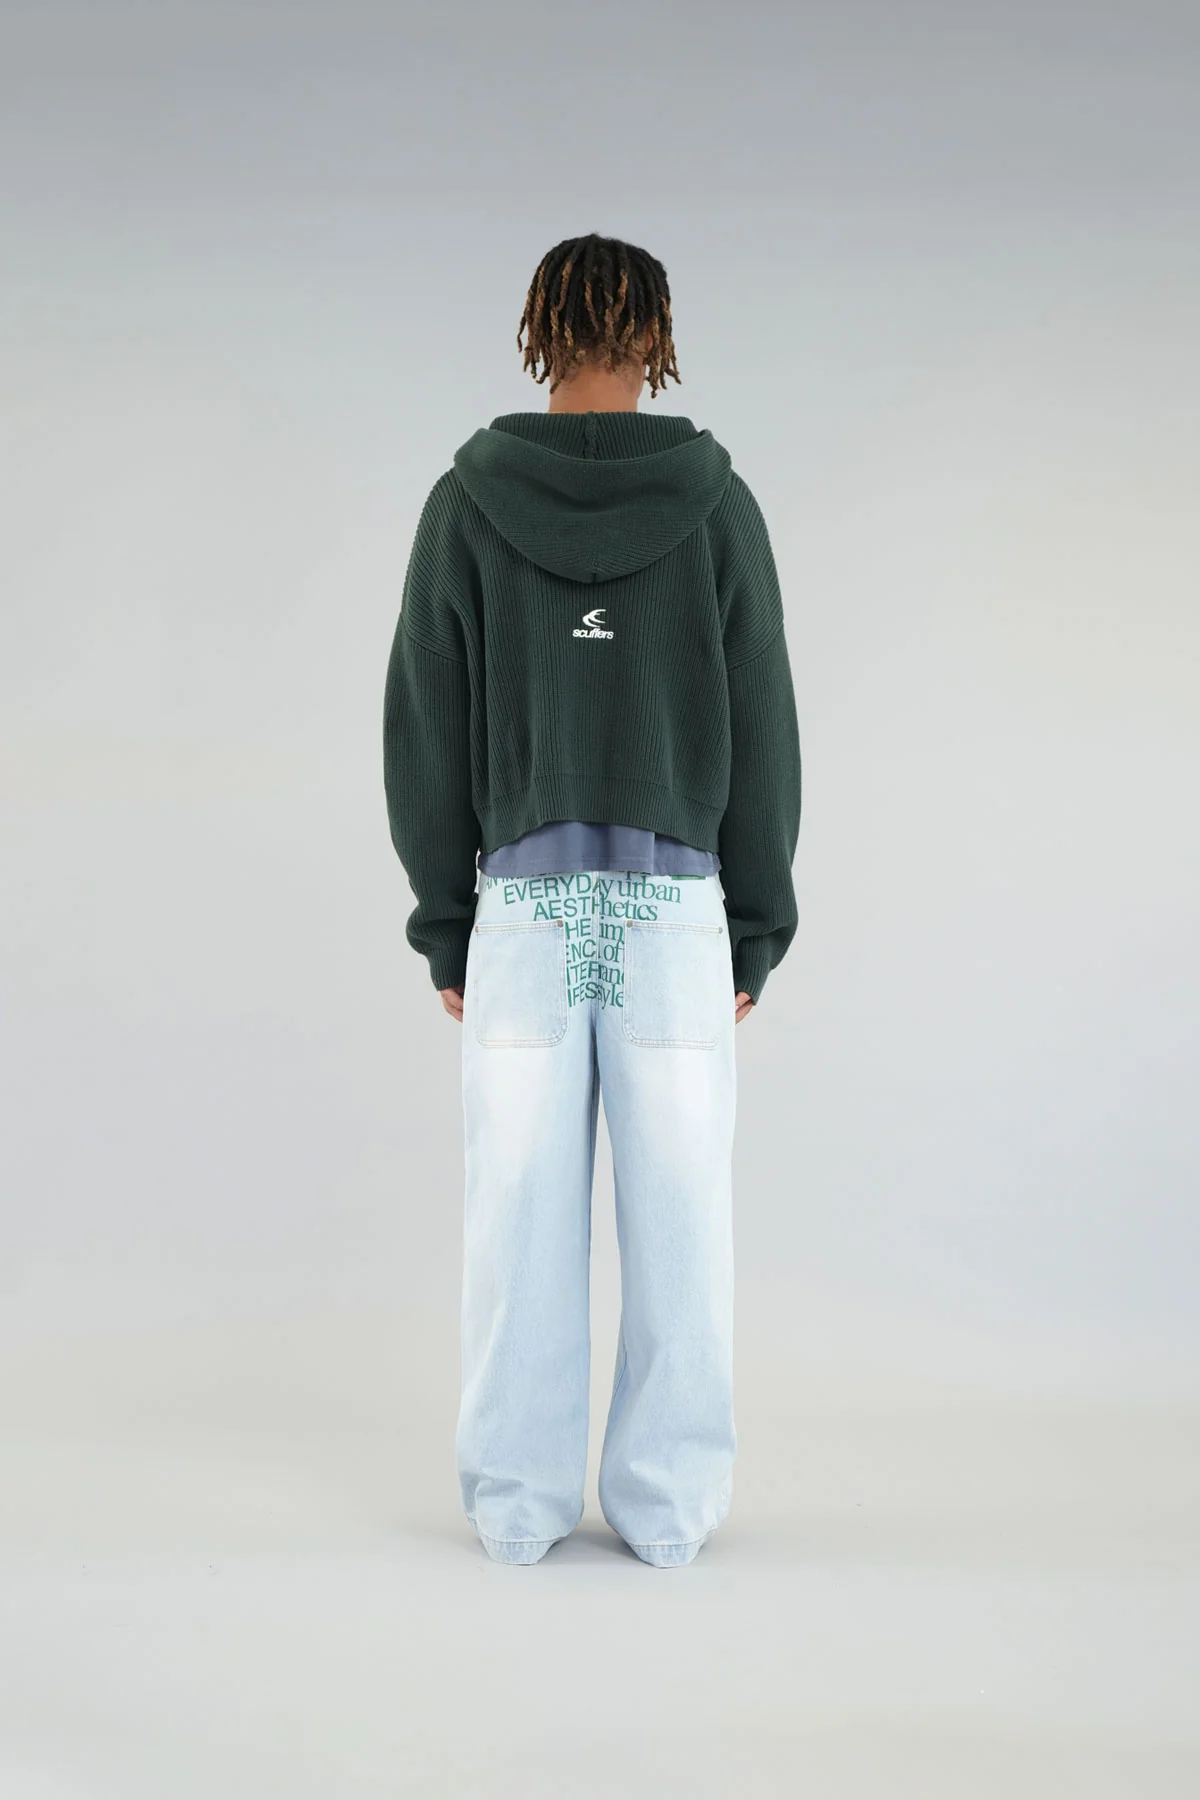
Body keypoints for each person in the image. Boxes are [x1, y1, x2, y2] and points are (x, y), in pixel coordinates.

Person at [383, 233, 801, 1567]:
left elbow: (423, 726)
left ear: (539, 332)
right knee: (683, 1224)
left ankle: (515, 1509)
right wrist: (756, 929)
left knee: (516, 1223)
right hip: (676, 915)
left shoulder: (465, 505)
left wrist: (447, 922)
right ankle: (669, 1514)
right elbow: (765, 730)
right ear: (656, 338)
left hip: (524, 908)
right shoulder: (720, 508)